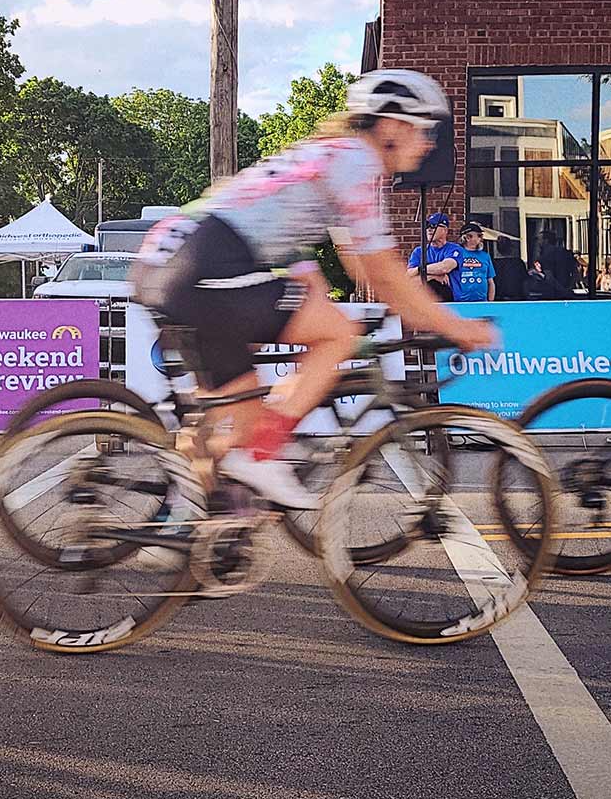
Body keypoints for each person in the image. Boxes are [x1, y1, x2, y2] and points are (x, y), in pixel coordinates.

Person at [133, 69, 497, 509]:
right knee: (338, 335)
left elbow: (350, 260)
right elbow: (384, 273)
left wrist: (345, 299)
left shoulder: (327, 156)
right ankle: (266, 455)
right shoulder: (359, 162)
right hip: (208, 262)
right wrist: (454, 326)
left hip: (166, 261)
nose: (430, 143)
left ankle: (174, 522)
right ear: (392, 125)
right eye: (425, 130)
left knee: (231, 427)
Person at [407, 212, 459, 301]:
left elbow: (444, 268)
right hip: (424, 302)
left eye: (434, 226)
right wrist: (432, 276)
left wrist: (420, 273)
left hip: (450, 303)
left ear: (445, 230)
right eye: (428, 226)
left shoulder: (454, 249)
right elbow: (409, 277)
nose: (429, 229)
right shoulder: (419, 251)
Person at [449, 222, 496, 302]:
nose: (481, 239)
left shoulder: (485, 256)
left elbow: (490, 281)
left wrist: (490, 302)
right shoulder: (455, 254)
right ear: (468, 237)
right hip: (460, 303)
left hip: (482, 302)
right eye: (479, 236)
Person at [530, 228, 580, 298]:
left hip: (552, 294)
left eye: (539, 239)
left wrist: (562, 290)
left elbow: (549, 277)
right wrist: (569, 288)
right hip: (568, 292)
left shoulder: (544, 257)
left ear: (546, 241)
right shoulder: (566, 253)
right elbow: (576, 271)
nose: (538, 242)